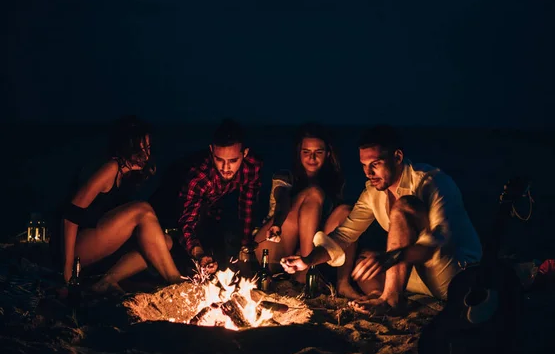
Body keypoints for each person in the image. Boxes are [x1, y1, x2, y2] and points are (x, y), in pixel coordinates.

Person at [281, 125, 482, 315]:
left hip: (455, 276)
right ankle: (379, 297)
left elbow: (437, 243)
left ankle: (391, 301)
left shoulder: (432, 182)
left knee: (404, 206)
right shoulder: (372, 192)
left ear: (397, 157)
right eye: (364, 166)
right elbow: (344, 235)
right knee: (365, 260)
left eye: (375, 164)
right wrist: (307, 260)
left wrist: (390, 257)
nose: (369, 173)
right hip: (419, 278)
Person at [60, 115, 182, 293]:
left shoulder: (126, 174)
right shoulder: (110, 168)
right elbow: (70, 215)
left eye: (147, 148)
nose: (146, 156)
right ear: (125, 148)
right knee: (142, 209)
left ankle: (106, 281)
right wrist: (67, 268)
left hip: (98, 244)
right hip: (74, 248)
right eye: (139, 150)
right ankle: (175, 280)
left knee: (165, 242)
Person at [253, 123, 352, 281]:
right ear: (299, 153)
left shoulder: (334, 184)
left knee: (346, 211)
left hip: (309, 250)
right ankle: (306, 275)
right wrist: (277, 223)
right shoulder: (285, 176)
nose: (312, 158)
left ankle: (342, 283)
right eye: (306, 152)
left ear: (327, 154)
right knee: (313, 193)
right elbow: (282, 201)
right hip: (274, 245)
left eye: (318, 152)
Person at [178, 119, 262, 274]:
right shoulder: (200, 177)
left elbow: (247, 207)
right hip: (172, 206)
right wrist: (199, 254)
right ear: (211, 151)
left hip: (215, 209)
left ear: (245, 153)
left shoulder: (251, 167)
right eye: (219, 160)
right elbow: (186, 222)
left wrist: (245, 247)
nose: (225, 168)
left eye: (233, 160)